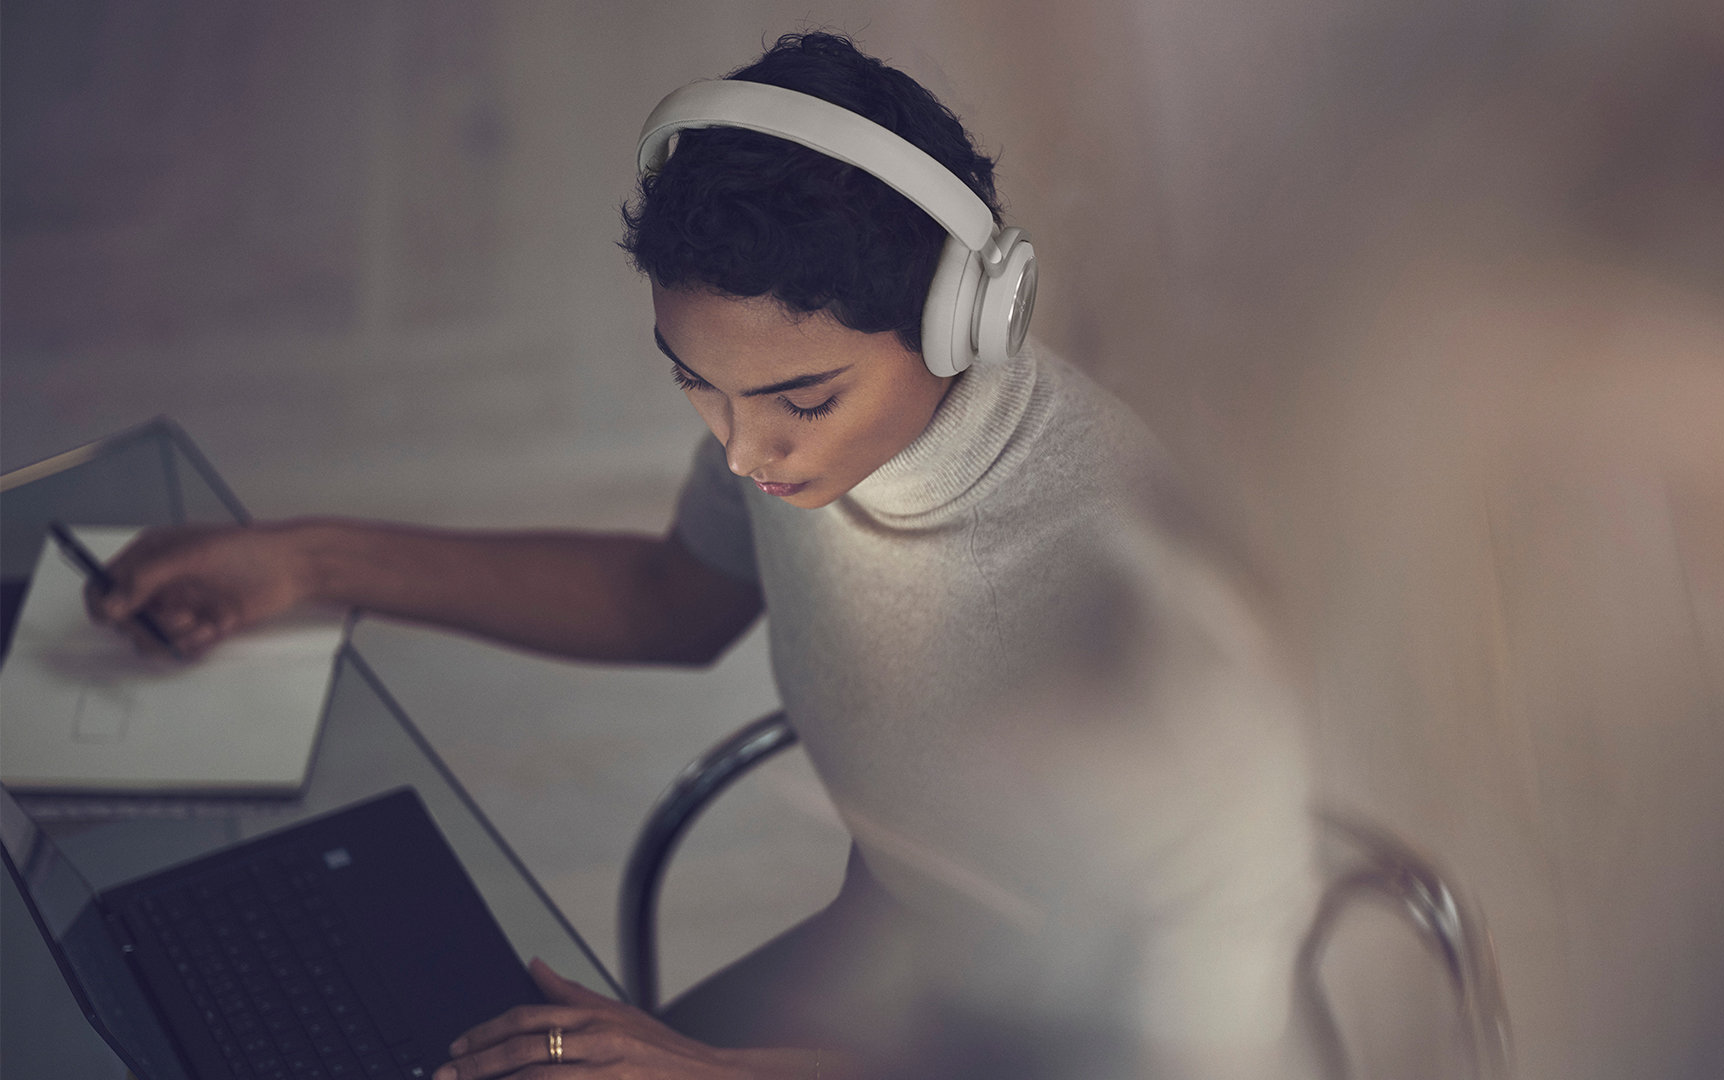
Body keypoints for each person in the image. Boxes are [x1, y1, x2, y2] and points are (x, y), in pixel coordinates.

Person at [92, 33, 1313, 1080]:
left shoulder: (1121, 585)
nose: (744, 452)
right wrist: (307, 561)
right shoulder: (796, 442)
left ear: (967, 320)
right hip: (887, 995)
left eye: (801, 397)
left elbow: (1125, 1046)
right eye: (697, 385)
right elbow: (667, 602)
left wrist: (723, 1073)